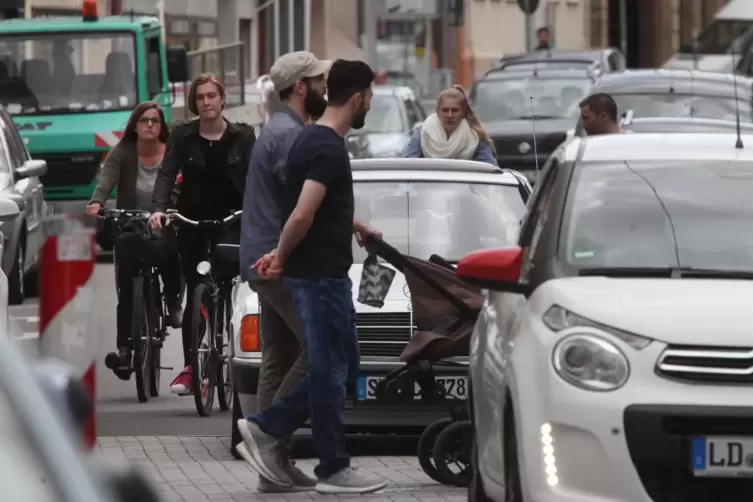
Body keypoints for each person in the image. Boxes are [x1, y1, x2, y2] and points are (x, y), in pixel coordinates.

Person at [235, 59, 388, 495]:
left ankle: (271, 431)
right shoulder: (323, 146)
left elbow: (310, 208)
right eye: (370, 99)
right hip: (319, 276)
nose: (369, 107)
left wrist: (352, 226)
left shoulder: (307, 139)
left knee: (339, 364)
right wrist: (280, 255)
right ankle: (327, 464)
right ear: (357, 98)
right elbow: (303, 211)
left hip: (320, 272)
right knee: (328, 367)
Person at [239, 50, 330, 493]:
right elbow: (301, 207)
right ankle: (268, 434)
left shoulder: (277, 128)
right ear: (300, 88)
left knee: (277, 358)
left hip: (262, 255)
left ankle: (271, 471)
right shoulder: (292, 135)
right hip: (277, 259)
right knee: (320, 352)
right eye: (318, 81)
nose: (324, 88)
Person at [148, 73, 256, 395]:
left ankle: (235, 354)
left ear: (223, 100)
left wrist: (258, 213)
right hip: (192, 219)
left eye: (211, 96)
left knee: (231, 285)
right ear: (194, 103)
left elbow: (257, 178)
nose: (206, 102)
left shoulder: (244, 136)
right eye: (200, 97)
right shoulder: (182, 135)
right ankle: (192, 369)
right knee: (196, 291)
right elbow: (166, 175)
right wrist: (159, 209)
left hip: (232, 219)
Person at [86, 101, 184, 380]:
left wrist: (165, 212)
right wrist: (96, 202)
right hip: (131, 221)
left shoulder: (171, 151)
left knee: (171, 252)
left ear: (162, 125)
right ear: (135, 126)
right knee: (128, 283)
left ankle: (174, 301)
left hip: (164, 220)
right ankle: (126, 350)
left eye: (155, 120)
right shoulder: (123, 152)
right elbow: (107, 179)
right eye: (144, 121)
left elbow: (177, 185)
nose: (150, 125)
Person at [404, 85, 498, 165]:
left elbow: (489, 169)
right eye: (445, 110)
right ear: (437, 111)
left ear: (463, 112)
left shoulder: (475, 136)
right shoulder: (422, 132)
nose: (449, 115)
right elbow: (409, 166)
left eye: (455, 110)